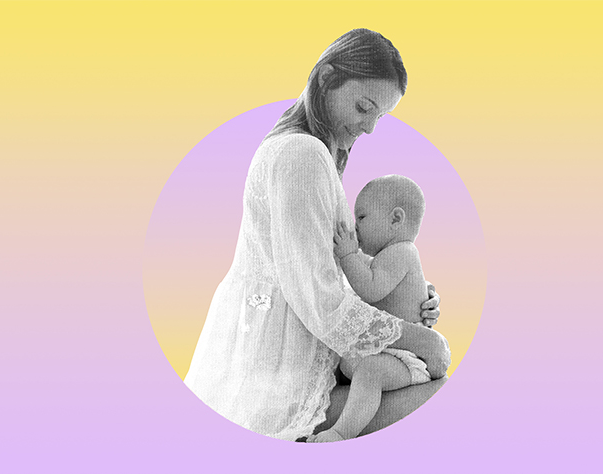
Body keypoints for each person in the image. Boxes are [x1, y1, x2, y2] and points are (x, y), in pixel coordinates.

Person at [184, 28, 450, 442]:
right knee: (442, 394)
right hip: (280, 375)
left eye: (379, 116)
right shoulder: (301, 154)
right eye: (365, 107)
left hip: (281, 360)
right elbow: (316, 294)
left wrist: (405, 296)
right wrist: (420, 339)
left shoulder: (301, 150)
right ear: (326, 79)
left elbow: (320, 270)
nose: (370, 128)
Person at [309, 175, 447, 442]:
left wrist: (348, 255)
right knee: (368, 372)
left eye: (361, 217)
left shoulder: (402, 252)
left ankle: (341, 433)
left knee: (370, 373)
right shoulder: (389, 257)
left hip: (405, 358)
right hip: (388, 352)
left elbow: (370, 288)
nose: (354, 225)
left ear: (396, 219)